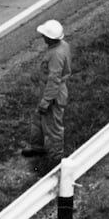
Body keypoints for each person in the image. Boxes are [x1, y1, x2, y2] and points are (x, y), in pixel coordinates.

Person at [22, 19, 71, 161]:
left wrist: (46, 101)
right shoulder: (63, 46)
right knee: (38, 118)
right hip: (49, 91)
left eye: (44, 35)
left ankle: (56, 158)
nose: (42, 37)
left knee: (53, 126)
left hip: (53, 95)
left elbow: (54, 80)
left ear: (50, 38)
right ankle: (37, 146)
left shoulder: (56, 55)